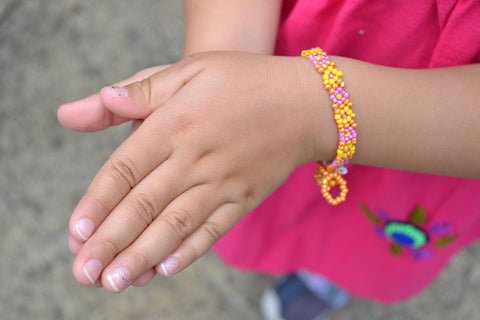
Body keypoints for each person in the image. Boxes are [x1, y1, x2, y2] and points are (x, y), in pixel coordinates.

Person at [57, 0, 480, 319]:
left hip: (436, 138)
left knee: (367, 239)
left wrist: (311, 113)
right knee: (261, 197)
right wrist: (219, 71)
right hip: (274, 74)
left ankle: (328, 277)